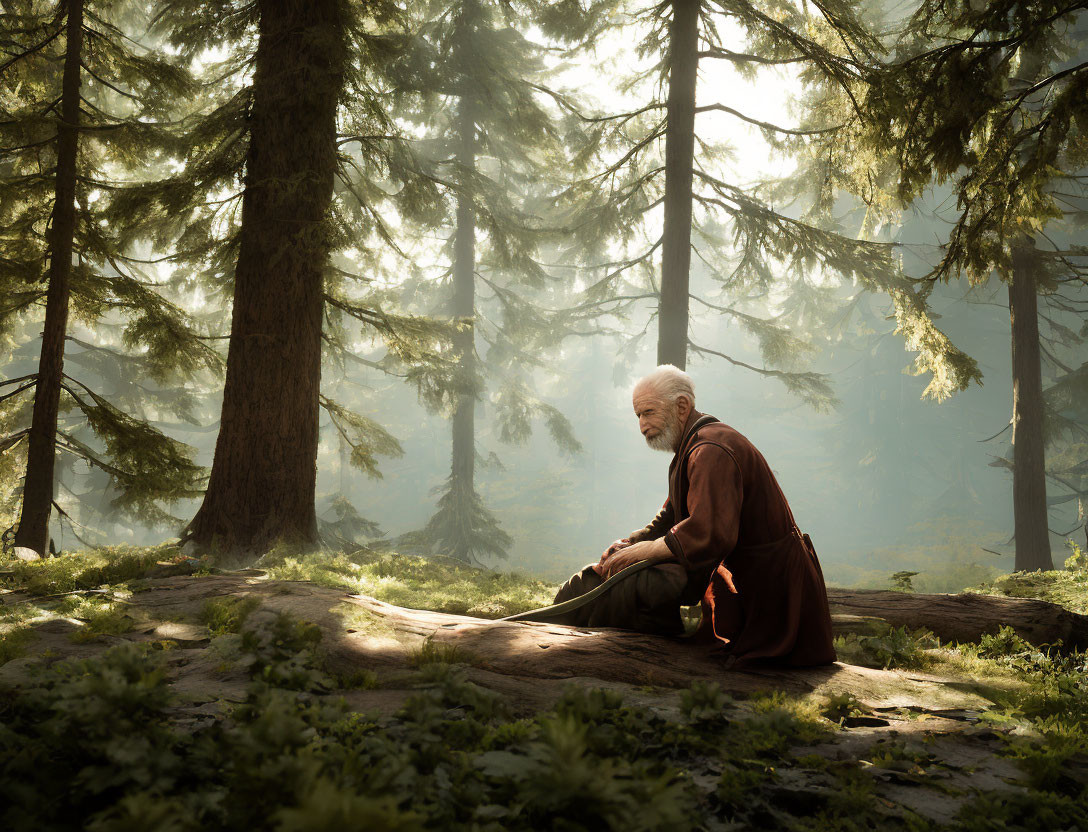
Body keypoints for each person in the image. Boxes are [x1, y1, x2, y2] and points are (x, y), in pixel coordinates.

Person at [549, 364, 836, 667]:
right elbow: (671, 515)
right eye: (638, 416)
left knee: (639, 583)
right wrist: (630, 543)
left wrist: (644, 552)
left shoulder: (711, 449)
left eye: (648, 412)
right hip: (743, 580)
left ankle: (620, 661)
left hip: (769, 589)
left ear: (682, 406)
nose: (642, 425)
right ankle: (582, 644)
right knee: (597, 577)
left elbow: (709, 531)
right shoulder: (692, 447)